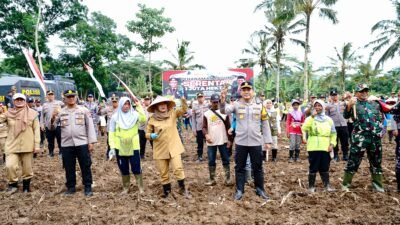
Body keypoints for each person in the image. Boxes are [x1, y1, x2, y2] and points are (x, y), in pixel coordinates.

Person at [220, 81, 272, 201]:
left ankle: (260, 189)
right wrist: (223, 100)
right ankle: (239, 190)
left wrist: (268, 141)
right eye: (244, 90)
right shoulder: (236, 105)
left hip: (256, 142)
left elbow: (265, 123)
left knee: (258, 167)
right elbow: (224, 111)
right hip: (241, 142)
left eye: (248, 89)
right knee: (240, 167)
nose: (246, 92)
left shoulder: (260, 106)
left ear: (252, 92)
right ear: (241, 92)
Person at [342, 84, 395, 192]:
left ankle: (378, 186)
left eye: (366, 91)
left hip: (375, 138)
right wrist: (349, 106)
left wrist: (380, 100)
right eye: (361, 91)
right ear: (356, 93)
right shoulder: (353, 103)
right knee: (353, 161)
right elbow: (346, 116)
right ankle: (345, 185)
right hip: (359, 138)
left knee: (376, 162)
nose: (364, 93)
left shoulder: (375, 103)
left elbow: (389, 110)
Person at [51, 90, 97, 197]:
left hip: (82, 143)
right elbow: (52, 127)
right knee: (68, 166)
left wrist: (91, 142)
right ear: (65, 98)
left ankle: (88, 187)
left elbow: (90, 126)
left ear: (76, 97)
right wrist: (53, 117)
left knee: (85, 165)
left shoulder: (84, 110)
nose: (71, 98)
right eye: (68, 97)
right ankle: (71, 187)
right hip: (67, 144)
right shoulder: (61, 112)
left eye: (73, 96)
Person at [145, 96, 190, 198]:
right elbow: (146, 134)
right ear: (156, 106)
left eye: (164, 103)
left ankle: (183, 189)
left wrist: (183, 100)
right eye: (160, 104)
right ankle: (167, 192)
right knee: (163, 172)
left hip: (174, 147)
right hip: (160, 149)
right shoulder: (152, 120)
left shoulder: (173, 114)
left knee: (178, 168)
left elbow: (183, 110)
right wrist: (151, 136)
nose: (163, 106)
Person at [108, 97, 146, 194]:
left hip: (133, 145)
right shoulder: (115, 117)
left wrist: (139, 106)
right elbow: (111, 132)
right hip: (120, 146)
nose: (126, 106)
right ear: (120, 105)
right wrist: (112, 147)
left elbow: (144, 119)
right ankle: (126, 187)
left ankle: (140, 187)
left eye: (128, 104)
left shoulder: (135, 115)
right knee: (123, 167)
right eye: (124, 104)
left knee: (136, 166)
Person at [4, 93, 40, 193]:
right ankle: (13, 184)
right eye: (17, 100)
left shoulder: (33, 114)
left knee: (27, 169)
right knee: (9, 166)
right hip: (12, 145)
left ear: (25, 101)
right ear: (13, 101)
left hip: (27, 145)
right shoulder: (7, 114)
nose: (19, 101)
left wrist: (37, 145)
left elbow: (36, 130)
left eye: (21, 99)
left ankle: (26, 186)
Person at [302, 100, 337, 192]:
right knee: (313, 166)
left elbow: (333, 133)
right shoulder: (310, 119)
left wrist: (332, 144)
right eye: (316, 106)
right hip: (314, 146)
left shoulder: (329, 120)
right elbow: (304, 128)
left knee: (325, 166)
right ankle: (311, 187)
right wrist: (312, 117)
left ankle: (327, 186)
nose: (318, 107)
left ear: (323, 107)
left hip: (325, 146)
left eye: (320, 106)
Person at [202, 93, 232, 186]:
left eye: (217, 101)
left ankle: (227, 179)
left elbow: (229, 127)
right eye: (214, 102)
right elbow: (204, 127)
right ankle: (212, 179)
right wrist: (206, 135)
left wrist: (230, 140)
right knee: (211, 160)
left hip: (223, 140)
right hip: (211, 141)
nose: (216, 103)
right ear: (210, 102)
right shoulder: (206, 114)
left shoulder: (224, 113)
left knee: (226, 159)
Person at [326, 88, 349, 161]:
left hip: (343, 125)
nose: (334, 96)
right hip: (334, 126)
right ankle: (335, 155)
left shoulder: (344, 103)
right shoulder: (328, 106)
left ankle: (345, 155)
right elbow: (327, 117)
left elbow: (349, 110)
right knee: (334, 141)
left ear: (338, 95)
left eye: (335, 95)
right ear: (330, 96)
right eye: (333, 95)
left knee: (345, 141)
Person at [41, 90, 63, 158]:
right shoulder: (44, 105)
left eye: (52, 94)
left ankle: (61, 152)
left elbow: (66, 104)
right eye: (49, 95)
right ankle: (51, 152)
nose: (50, 96)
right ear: (47, 96)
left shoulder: (59, 103)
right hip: (48, 125)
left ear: (54, 95)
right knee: (50, 140)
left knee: (59, 139)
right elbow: (42, 116)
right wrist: (41, 124)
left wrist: (63, 97)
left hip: (58, 124)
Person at [100, 95, 119, 159]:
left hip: (118, 129)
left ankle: (117, 154)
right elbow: (100, 113)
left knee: (118, 142)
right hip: (110, 129)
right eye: (113, 102)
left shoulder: (121, 109)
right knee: (109, 142)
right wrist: (100, 107)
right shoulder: (108, 109)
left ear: (118, 102)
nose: (114, 103)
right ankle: (108, 155)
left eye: (116, 102)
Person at [191, 92, 209, 162]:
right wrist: (194, 129)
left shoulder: (208, 105)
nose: (200, 98)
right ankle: (200, 156)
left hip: (207, 128)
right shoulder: (195, 107)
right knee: (200, 143)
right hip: (199, 128)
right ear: (197, 98)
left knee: (209, 142)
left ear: (204, 97)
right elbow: (193, 119)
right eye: (199, 97)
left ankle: (210, 156)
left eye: (201, 97)